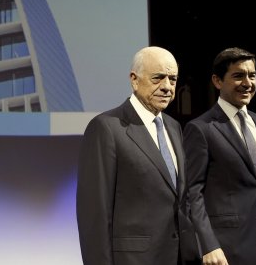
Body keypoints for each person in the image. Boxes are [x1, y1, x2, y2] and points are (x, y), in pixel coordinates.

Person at [76, 46, 200, 265]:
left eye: (172, 79)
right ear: (134, 80)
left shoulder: (173, 127)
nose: (167, 87)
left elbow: (181, 198)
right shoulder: (106, 128)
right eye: (158, 78)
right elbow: (94, 214)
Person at [183, 47, 256, 265]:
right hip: (226, 250)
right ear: (217, 81)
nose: (247, 83)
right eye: (238, 76)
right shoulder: (201, 128)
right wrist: (208, 244)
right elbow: (192, 193)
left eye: (252, 75)